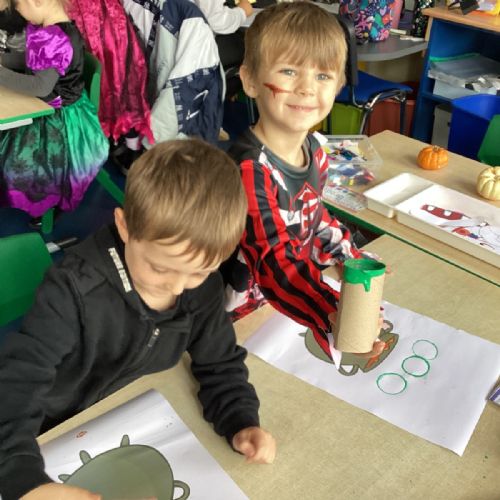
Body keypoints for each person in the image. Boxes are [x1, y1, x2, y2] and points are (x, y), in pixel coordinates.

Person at [0, 139, 276, 500]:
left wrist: (240, 420)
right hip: (45, 426)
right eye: (160, 268)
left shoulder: (201, 288)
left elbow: (220, 362)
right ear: (125, 226)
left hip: (122, 416)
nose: (178, 286)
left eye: (199, 272)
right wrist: (23, 477)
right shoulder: (74, 288)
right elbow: (20, 378)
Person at [221, 1, 388, 362]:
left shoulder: (314, 150)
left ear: (339, 84)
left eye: (323, 76)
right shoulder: (248, 171)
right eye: (288, 71)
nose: (307, 88)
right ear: (250, 80)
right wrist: (335, 313)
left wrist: (351, 261)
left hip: (284, 307)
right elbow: (274, 260)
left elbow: (314, 217)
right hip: (236, 321)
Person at [0, 0, 108, 220]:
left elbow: (41, 86)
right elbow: (33, 62)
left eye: (18, 4)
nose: (17, 10)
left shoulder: (54, 39)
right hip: (52, 107)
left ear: (37, 2)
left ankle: (44, 205)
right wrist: (4, 61)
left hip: (59, 120)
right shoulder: (53, 29)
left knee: (22, 162)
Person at [194, 0, 253, 69]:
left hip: (193, 39)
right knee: (253, 45)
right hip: (198, 51)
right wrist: (242, 12)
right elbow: (215, 20)